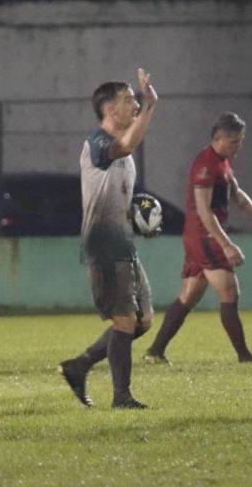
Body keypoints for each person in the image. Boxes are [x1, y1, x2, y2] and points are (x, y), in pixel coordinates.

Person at [144, 112, 252, 365]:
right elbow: (203, 210)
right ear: (218, 139)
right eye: (234, 142)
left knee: (189, 295)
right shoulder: (206, 165)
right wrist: (227, 245)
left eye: (240, 141)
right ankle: (244, 355)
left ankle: (155, 351)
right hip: (205, 236)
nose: (238, 147)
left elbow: (238, 195)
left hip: (201, 237)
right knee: (229, 290)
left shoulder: (223, 161)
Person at [59, 68, 158, 410]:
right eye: (128, 99)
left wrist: (140, 220)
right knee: (125, 321)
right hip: (102, 246)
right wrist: (151, 104)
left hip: (124, 245)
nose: (134, 104)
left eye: (136, 99)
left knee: (143, 321)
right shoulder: (98, 143)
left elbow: (118, 197)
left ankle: (80, 365)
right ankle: (121, 397)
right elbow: (128, 142)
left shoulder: (124, 155)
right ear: (110, 109)